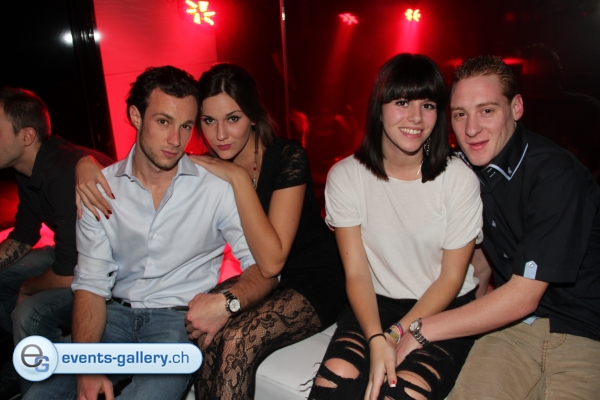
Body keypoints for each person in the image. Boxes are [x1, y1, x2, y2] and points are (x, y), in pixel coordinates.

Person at [75, 63, 347, 400]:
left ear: (253, 116)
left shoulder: (286, 156)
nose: (220, 135)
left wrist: (237, 177)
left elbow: (272, 261)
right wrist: (83, 163)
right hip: (264, 280)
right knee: (204, 336)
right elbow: (143, 165)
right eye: (207, 120)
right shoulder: (208, 166)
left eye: (233, 118)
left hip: (313, 276)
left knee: (237, 341)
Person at [24, 65, 278, 400]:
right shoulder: (100, 188)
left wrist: (226, 302)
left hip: (175, 326)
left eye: (185, 125)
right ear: (136, 116)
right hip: (112, 317)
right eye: (163, 122)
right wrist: (87, 366)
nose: (176, 140)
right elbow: (90, 284)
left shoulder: (215, 187)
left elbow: (263, 269)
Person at [392, 55, 600, 399]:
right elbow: (481, 261)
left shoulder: (554, 174)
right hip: (512, 331)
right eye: (460, 114)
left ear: (516, 108)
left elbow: (523, 296)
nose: (471, 129)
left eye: (486, 110)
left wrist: (420, 329)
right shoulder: (466, 171)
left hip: (586, 334)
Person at [308, 53, 483, 400]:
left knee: (398, 394)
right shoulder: (347, 177)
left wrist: (395, 335)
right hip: (375, 305)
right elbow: (357, 273)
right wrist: (377, 337)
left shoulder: (459, 180)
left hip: (442, 308)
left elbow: (450, 279)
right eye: (402, 102)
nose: (415, 117)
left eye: (427, 105)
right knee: (334, 384)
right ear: (379, 107)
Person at [0, 87, 112, 398]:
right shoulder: (28, 168)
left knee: (28, 312)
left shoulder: (63, 172)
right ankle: (24, 352)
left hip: (108, 270)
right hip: (72, 254)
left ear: (26, 136)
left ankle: (41, 381)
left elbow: (68, 272)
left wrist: (28, 288)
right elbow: (23, 236)